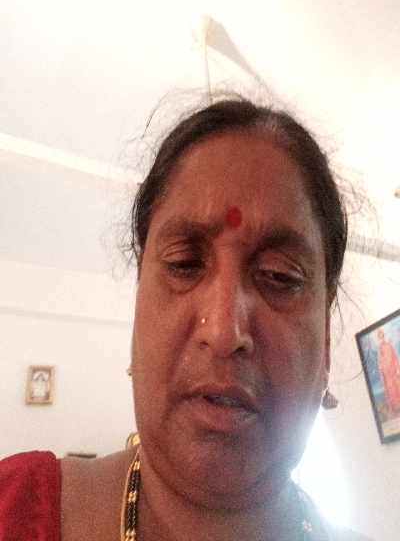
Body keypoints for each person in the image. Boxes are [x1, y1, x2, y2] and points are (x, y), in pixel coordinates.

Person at [0, 97, 372, 540]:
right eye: (184, 264)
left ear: (326, 339)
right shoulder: (12, 507)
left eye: (279, 275)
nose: (224, 331)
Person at [377, 328, 400, 417]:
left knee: (397, 387)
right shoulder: (380, 349)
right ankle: (395, 409)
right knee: (390, 390)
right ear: (379, 338)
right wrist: (382, 372)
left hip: (393, 372)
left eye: (382, 336)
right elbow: (380, 362)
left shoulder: (389, 345)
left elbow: (394, 358)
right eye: (380, 337)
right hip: (387, 374)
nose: (381, 338)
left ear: (384, 336)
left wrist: (398, 369)